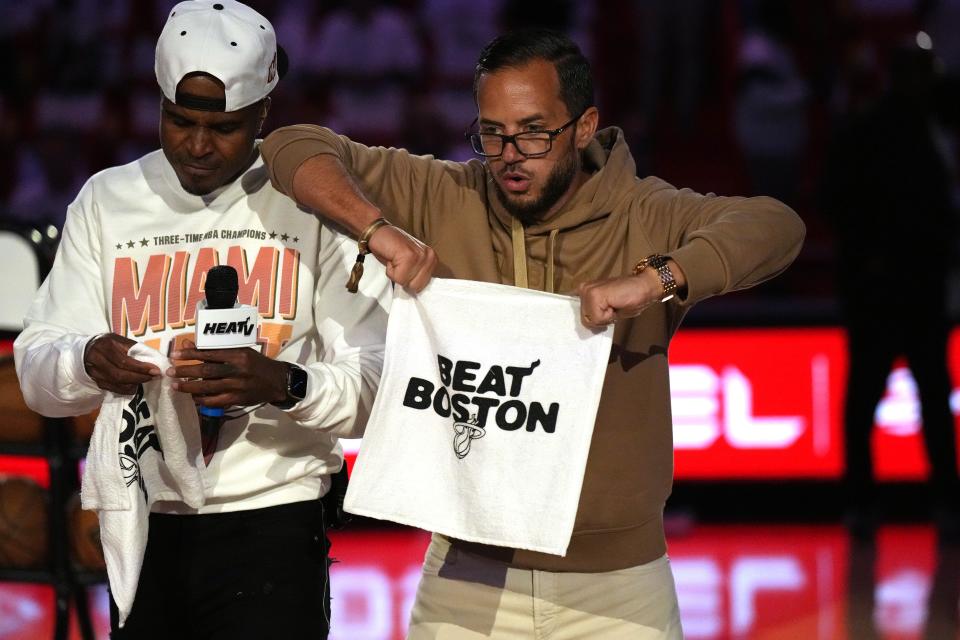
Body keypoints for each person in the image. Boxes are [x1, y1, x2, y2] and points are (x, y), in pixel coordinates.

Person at [262, 28, 804, 638]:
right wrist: (377, 230)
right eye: (492, 133)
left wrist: (657, 279)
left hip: (620, 592)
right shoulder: (447, 194)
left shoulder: (643, 213)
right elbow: (291, 145)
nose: (511, 153)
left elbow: (776, 225)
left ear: (583, 126)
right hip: (464, 582)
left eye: (533, 132)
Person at [13, 1, 390, 638]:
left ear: (264, 113)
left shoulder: (314, 201)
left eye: (225, 127)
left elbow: (378, 384)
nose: (195, 143)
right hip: (142, 519)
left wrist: (282, 384)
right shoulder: (107, 199)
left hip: (275, 518)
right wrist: (86, 360)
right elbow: (35, 372)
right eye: (179, 119)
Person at [821, 42, 960, 540]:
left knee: (906, 399)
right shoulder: (873, 131)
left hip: (905, 293)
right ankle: (871, 502)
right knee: (879, 399)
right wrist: (871, 261)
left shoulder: (929, 128)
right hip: (890, 293)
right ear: (904, 76)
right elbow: (837, 200)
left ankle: (902, 502)